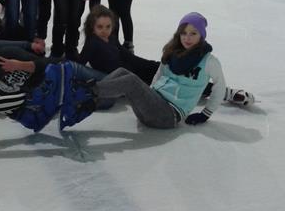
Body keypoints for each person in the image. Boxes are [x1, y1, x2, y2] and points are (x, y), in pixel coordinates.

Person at [79, 5, 255, 108]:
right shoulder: (92, 43)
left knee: (171, 70)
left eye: (108, 26)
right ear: (91, 27)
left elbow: (127, 56)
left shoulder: (111, 38)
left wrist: (153, 65)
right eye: (100, 27)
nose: (105, 30)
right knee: (176, 81)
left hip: (133, 69)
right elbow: (79, 64)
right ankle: (226, 94)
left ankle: (224, 91)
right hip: (128, 78)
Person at [94, 12, 227, 128]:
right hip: (153, 106)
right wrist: (148, 94)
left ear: (201, 35)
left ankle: (89, 91)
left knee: (131, 81)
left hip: (169, 115)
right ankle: (91, 102)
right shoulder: (173, 52)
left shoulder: (209, 61)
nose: (187, 38)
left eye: (193, 33)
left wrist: (205, 114)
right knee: (122, 72)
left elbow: (220, 86)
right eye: (184, 33)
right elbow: (159, 74)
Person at [0, 33, 105, 132]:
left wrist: (20, 65)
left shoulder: (5, 55)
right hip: (49, 98)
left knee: (104, 85)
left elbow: (45, 64)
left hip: (62, 75)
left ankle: (116, 83)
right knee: (104, 97)